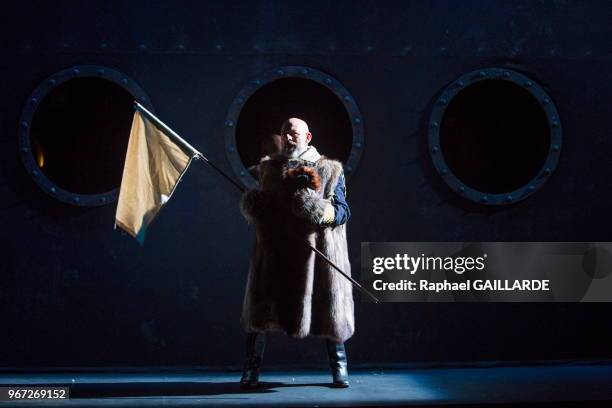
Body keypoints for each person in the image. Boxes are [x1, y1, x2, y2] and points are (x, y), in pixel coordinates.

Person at [239, 118, 354, 388]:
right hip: (276, 255)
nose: (287, 137)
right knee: (261, 311)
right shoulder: (268, 168)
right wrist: (254, 205)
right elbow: (263, 209)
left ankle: (339, 368)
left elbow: (343, 211)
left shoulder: (329, 169)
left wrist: (317, 210)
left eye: (293, 132)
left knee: (329, 310)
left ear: (308, 136)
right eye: (284, 133)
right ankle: (250, 369)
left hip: (317, 255)